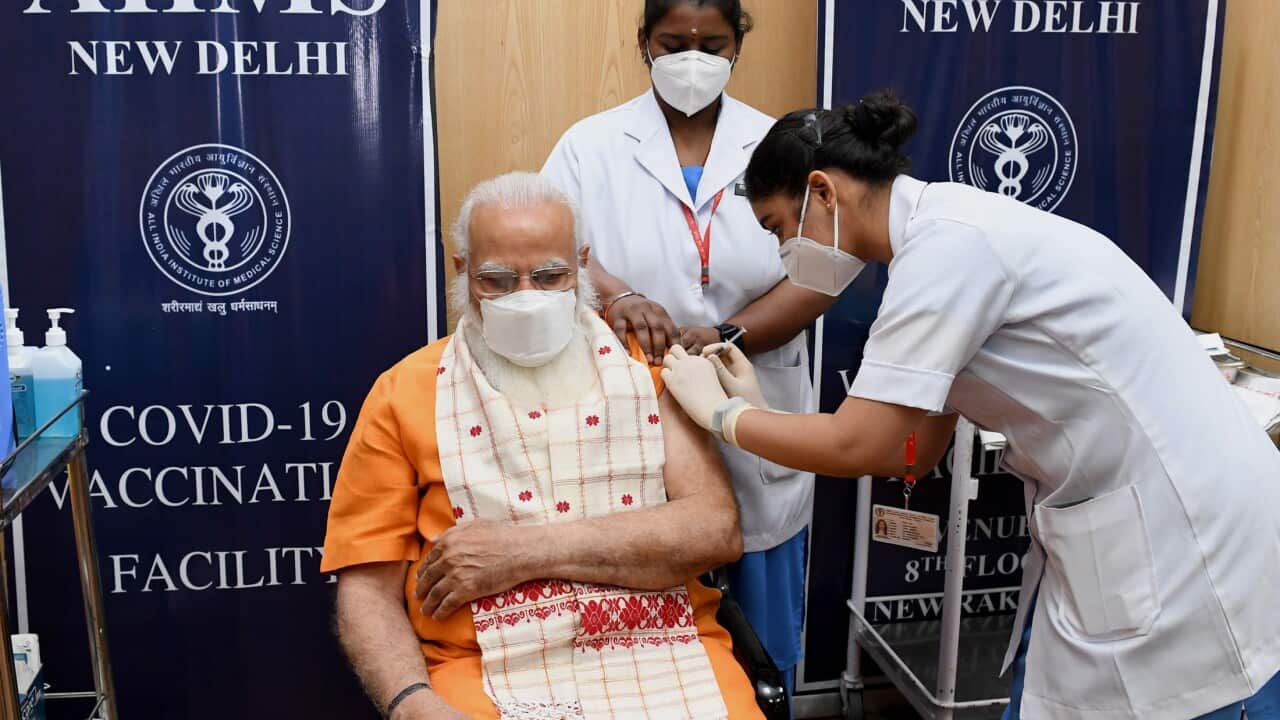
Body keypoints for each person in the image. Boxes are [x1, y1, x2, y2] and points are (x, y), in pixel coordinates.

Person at [660, 91, 1280, 720]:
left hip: (1185, 535)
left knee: (1203, 692)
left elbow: (862, 445)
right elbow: (913, 451)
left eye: (778, 228)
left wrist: (726, 418)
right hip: (1138, 517)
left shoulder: (948, 251)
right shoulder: (941, 240)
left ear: (822, 193)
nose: (784, 253)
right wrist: (765, 411)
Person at [322, 172, 764, 720]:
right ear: (463, 272)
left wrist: (519, 553)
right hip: (478, 669)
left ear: (581, 265)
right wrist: (412, 703)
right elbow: (366, 587)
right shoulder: (405, 392)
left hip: (664, 645)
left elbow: (713, 531)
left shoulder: (643, 365)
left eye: (551, 276)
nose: (526, 299)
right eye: (498, 281)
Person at [541, 0, 831, 695]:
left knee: (762, 647)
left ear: (738, 47)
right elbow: (553, 253)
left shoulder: (779, 145)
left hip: (754, 395)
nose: (692, 59)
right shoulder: (590, 146)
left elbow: (822, 273)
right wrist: (617, 296)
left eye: (713, 43)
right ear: (643, 42)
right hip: (634, 408)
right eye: (673, 43)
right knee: (647, 639)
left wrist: (732, 333)